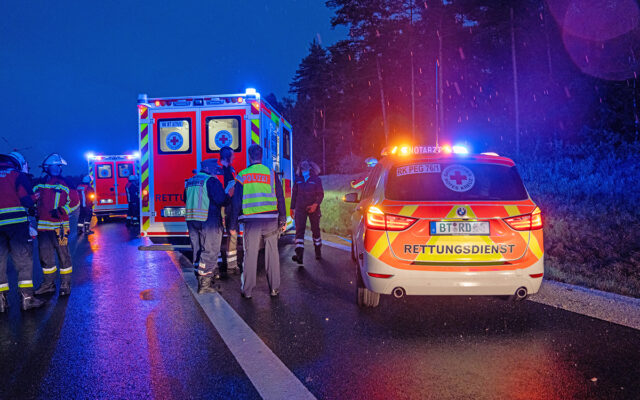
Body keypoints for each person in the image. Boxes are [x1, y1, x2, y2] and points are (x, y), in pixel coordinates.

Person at [230, 144, 286, 299]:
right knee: (272, 253)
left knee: (250, 254)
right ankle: (274, 288)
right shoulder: (271, 174)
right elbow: (280, 197)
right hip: (270, 220)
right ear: (261, 156)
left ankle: (247, 291)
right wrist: (282, 218)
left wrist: (233, 224)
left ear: (249, 156)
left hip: (251, 221)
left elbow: (237, 201)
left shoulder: (242, 175)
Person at [0, 152, 45, 312]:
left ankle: (1, 301)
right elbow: (26, 200)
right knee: (23, 261)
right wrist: (35, 198)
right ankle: (27, 298)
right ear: (17, 163)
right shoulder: (17, 175)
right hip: (16, 225)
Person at [184, 158, 233, 294]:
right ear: (209, 169)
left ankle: (200, 276)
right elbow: (221, 200)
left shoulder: (191, 181)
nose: (216, 172)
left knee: (198, 249)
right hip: (208, 219)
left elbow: (185, 198)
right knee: (210, 249)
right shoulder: (211, 181)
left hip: (192, 219)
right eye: (215, 169)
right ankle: (205, 284)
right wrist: (229, 194)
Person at [33, 153, 79, 296]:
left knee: (63, 255)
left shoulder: (66, 183)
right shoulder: (39, 184)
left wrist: (62, 210)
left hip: (60, 227)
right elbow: (34, 200)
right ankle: (48, 284)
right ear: (47, 167)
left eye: (59, 166)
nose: (58, 168)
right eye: (56, 166)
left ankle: (65, 284)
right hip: (43, 228)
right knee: (45, 258)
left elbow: (75, 202)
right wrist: (33, 208)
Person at [291, 160, 324, 264]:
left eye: (306, 167)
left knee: (315, 230)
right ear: (300, 168)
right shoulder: (298, 180)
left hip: (313, 208)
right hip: (300, 208)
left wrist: (315, 205)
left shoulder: (316, 179)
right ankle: (299, 255)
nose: (304, 169)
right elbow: (294, 194)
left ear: (310, 168)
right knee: (299, 231)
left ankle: (318, 251)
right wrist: (292, 208)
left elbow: (321, 194)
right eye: (302, 167)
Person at [218, 146, 241, 278]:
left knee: (232, 234)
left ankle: (231, 265)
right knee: (218, 235)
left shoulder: (231, 169)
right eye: (232, 155)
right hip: (221, 206)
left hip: (231, 207)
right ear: (227, 156)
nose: (234, 157)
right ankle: (219, 265)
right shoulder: (219, 170)